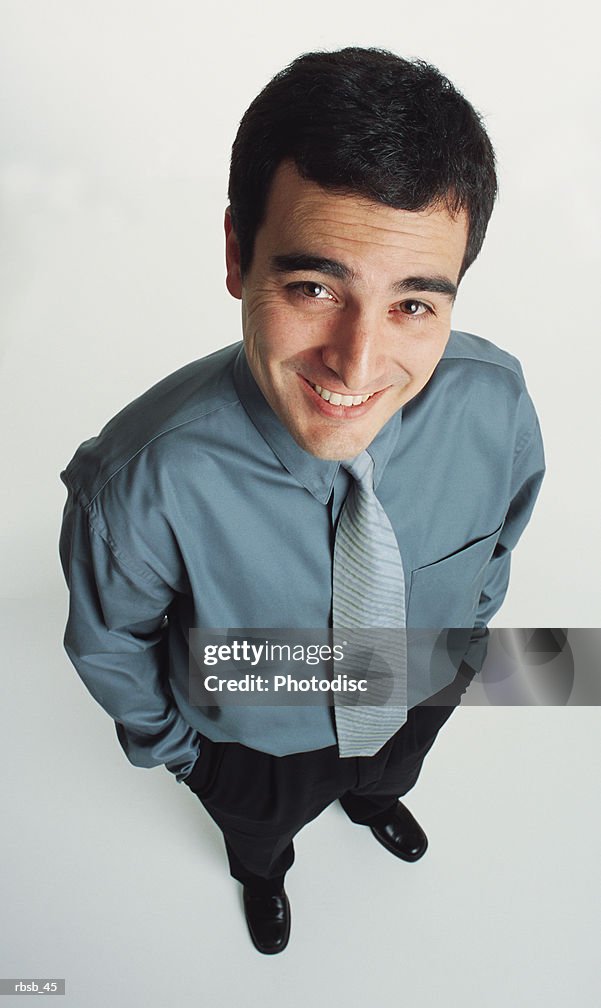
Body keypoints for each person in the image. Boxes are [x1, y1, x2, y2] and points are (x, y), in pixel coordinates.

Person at [58, 47, 545, 955]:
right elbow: (108, 644)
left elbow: (497, 548)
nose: (357, 367)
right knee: (260, 834)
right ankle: (263, 871)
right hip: (250, 747)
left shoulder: (496, 404)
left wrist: (454, 666)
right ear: (239, 254)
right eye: (314, 287)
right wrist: (191, 756)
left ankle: (371, 799)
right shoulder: (136, 483)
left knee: (389, 771)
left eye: (412, 304)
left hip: (413, 692)